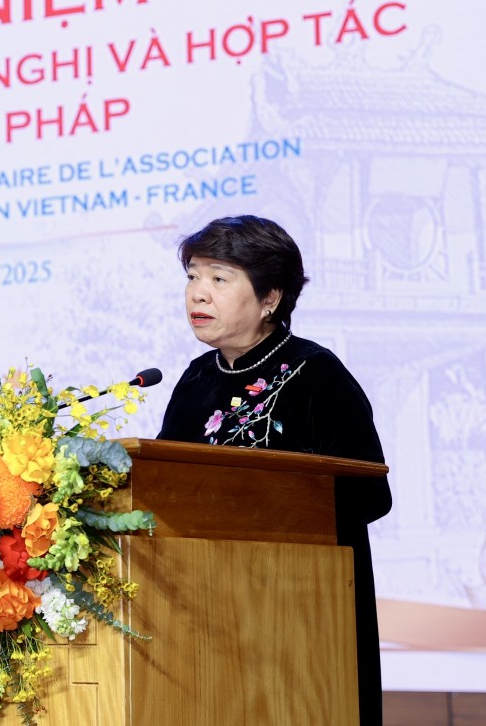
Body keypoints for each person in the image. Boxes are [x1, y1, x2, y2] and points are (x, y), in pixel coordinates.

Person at [158, 214, 393, 726]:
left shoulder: (316, 374)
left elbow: (370, 495)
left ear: (270, 297)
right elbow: (164, 493)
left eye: (219, 278)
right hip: (205, 618)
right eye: (193, 276)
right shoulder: (195, 380)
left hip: (301, 618)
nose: (198, 292)